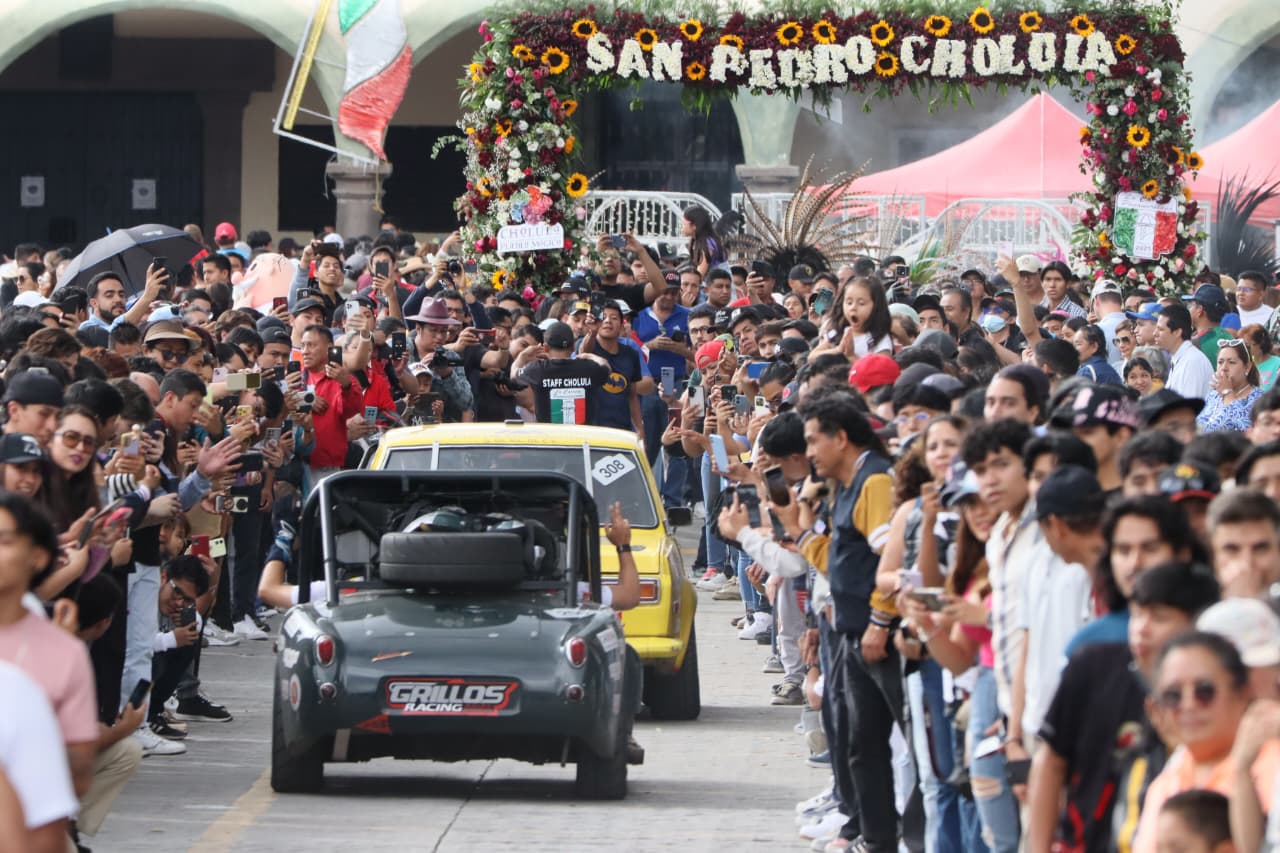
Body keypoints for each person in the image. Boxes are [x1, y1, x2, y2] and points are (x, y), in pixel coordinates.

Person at [1028, 562, 1220, 853]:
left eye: (1159, 617)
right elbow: (1051, 761)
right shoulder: (1091, 666)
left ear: (1196, 622)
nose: (1142, 629)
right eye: (1137, 614)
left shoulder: (1211, 696)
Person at [789, 390, 897, 852]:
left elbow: (889, 562)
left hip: (879, 639)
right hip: (851, 634)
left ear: (842, 437)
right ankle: (873, 839)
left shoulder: (876, 482)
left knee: (904, 746)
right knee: (860, 744)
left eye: (814, 441)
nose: (810, 453)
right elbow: (840, 562)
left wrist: (880, 621)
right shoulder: (848, 484)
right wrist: (803, 525)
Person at [1132, 632, 1280, 853]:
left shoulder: (1272, 765)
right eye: (1173, 695)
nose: (1188, 705)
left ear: (1243, 692)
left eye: (1204, 691)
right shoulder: (1162, 785)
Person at [1198, 338, 1263, 433]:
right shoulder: (1213, 395)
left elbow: (1248, 431)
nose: (1224, 368)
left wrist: (1228, 394)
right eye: (1220, 362)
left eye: (1231, 362)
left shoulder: (1258, 399)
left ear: (1247, 367)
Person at [1156, 304, 1215, 400]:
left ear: (1177, 332)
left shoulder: (1192, 362)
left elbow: (1189, 410)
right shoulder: (1180, 358)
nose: (1155, 333)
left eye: (1160, 329)